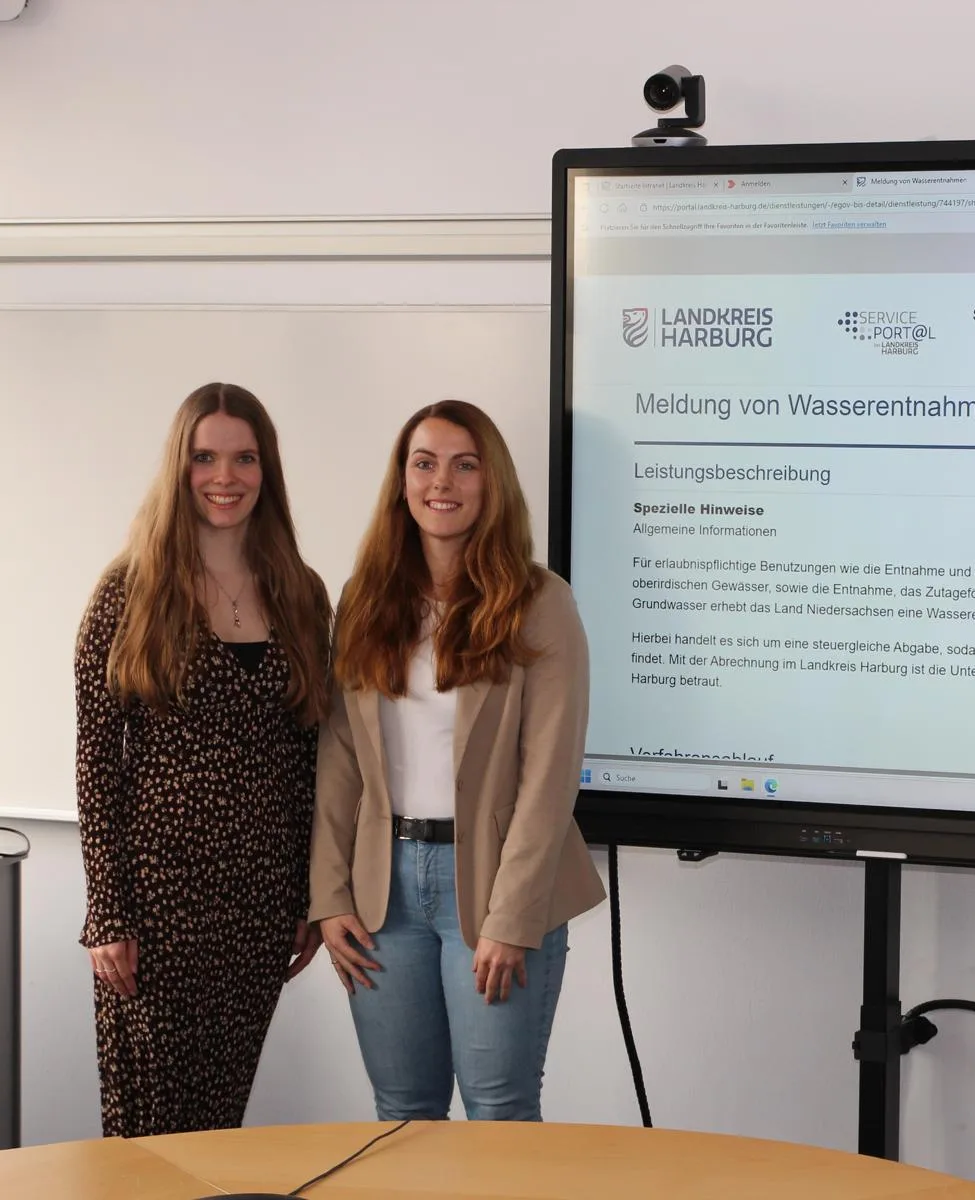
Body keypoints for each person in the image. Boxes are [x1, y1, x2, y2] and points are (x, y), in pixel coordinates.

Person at [311, 399, 603, 1122]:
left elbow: (550, 775)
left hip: (497, 884)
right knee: (402, 1112)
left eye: (464, 464)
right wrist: (329, 895)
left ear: (490, 480)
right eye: (425, 463)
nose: (442, 481)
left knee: (498, 1111)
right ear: (402, 482)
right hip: (382, 895)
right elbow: (341, 756)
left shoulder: (540, 602)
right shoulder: (366, 600)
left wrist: (513, 917)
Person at [74, 382, 332, 1137]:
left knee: (219, 1128)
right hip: (156, 907)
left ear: (266, 469)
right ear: (179, 467)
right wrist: (107, 913)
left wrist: (309, 895)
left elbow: (311, 756)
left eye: (244, 458)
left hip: (259, 907)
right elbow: (96, 761)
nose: (226, 477)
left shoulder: (301, 593)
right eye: (205, 457)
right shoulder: (129, 592)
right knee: (149, 1135)